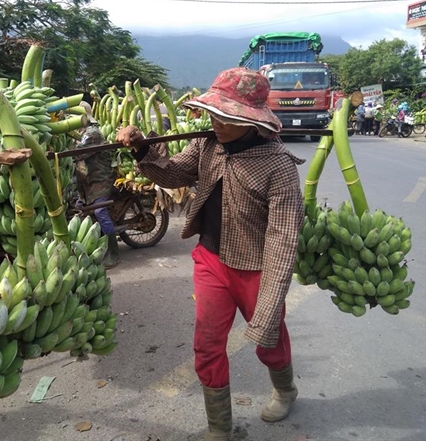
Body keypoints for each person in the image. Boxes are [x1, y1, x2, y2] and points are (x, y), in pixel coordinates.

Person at [116, 67, 305, 441]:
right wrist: (142, 147)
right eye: (213, 113)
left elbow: (283, 238)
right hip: (211, 260)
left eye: (225, 116)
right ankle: (219, 426)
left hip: (257, 269)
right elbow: (172, 174)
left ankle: (285, 388)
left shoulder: (278, 166)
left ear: (248, 119)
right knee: (206, 345)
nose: (215, 122)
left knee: (269, 338)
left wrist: (270, 300)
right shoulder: (207, 146)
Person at [74, 119, 120, 269]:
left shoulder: (92, 134)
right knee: (78, 208)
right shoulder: (82, 133)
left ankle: (114, 252)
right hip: (89, 181)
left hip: (101, 179)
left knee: (100, 210)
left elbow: (79, 152)